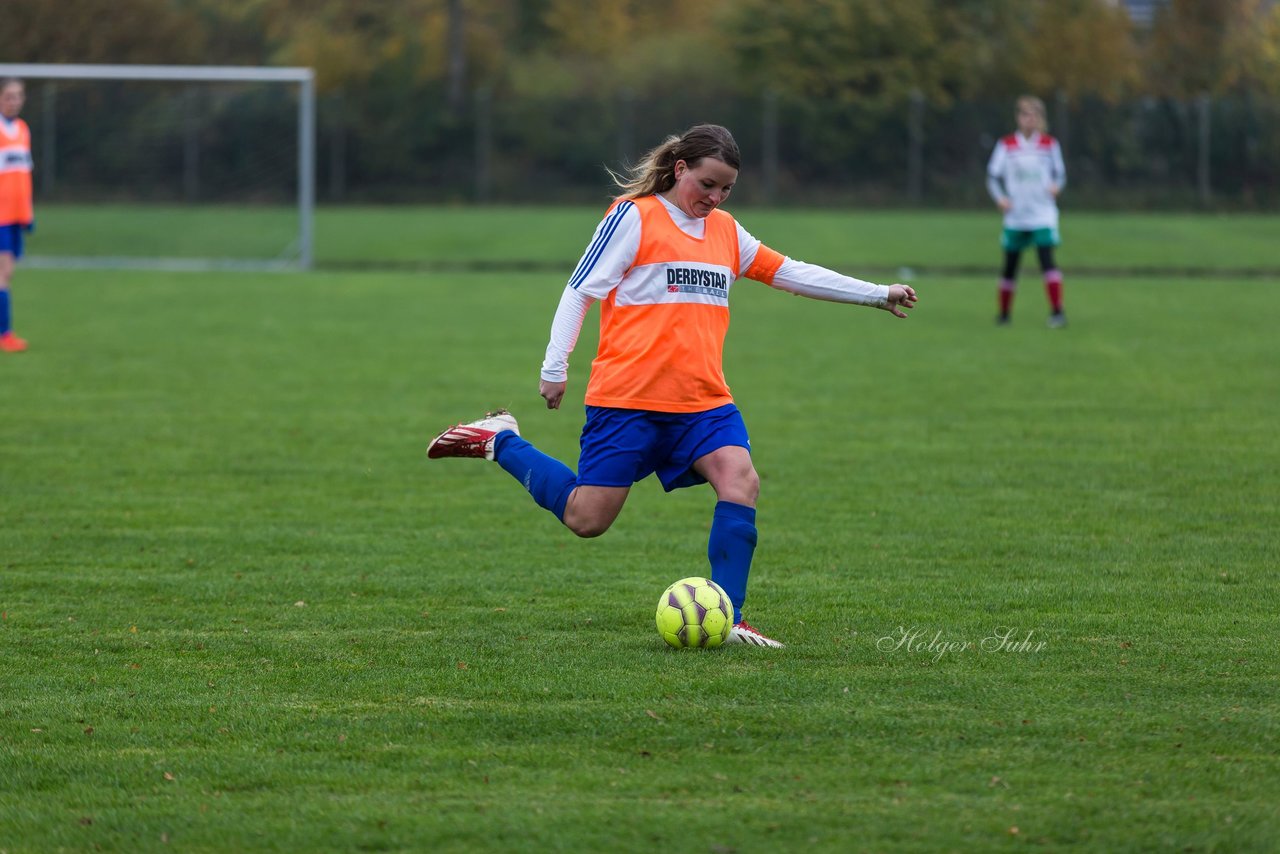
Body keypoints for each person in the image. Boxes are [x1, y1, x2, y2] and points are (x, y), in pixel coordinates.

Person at [427, 124, 918, 647]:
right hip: (627, 401)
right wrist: (555, 366)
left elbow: (789, 271)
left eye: (726, 189)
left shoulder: (728, 231)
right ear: (680, 168)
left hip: (704, 401)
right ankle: (501, 439)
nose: (715, 197)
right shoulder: (633, 218)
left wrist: (876, 293)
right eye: (707, 184)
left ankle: (730, 617)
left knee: (740, 481)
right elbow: (579, 291)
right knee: (586, 518)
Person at [986, 95, 1067, 328]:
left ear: (1040, 118)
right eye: (1024, 114)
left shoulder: (1049, 145)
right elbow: (992, 176)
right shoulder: (1007, 145)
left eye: (1033, 114)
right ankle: (1003, 315)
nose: (1028, 119)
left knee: (1047, 261)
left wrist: (1056, 187)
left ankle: (1057, 311)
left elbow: (1060, 175)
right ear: (1018, 118)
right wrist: (1000, 198)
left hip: (1042, 214)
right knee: (1010, 266)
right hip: (1016, 216)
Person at [0, 77, 34, 353]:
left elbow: (23, 176)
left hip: (15, 216)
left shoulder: (23, 129)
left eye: (18, 95)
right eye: (9, 96)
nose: (14, 101)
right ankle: (5, 334)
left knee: (6, 274)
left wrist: (27, 213)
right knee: (3, 273)